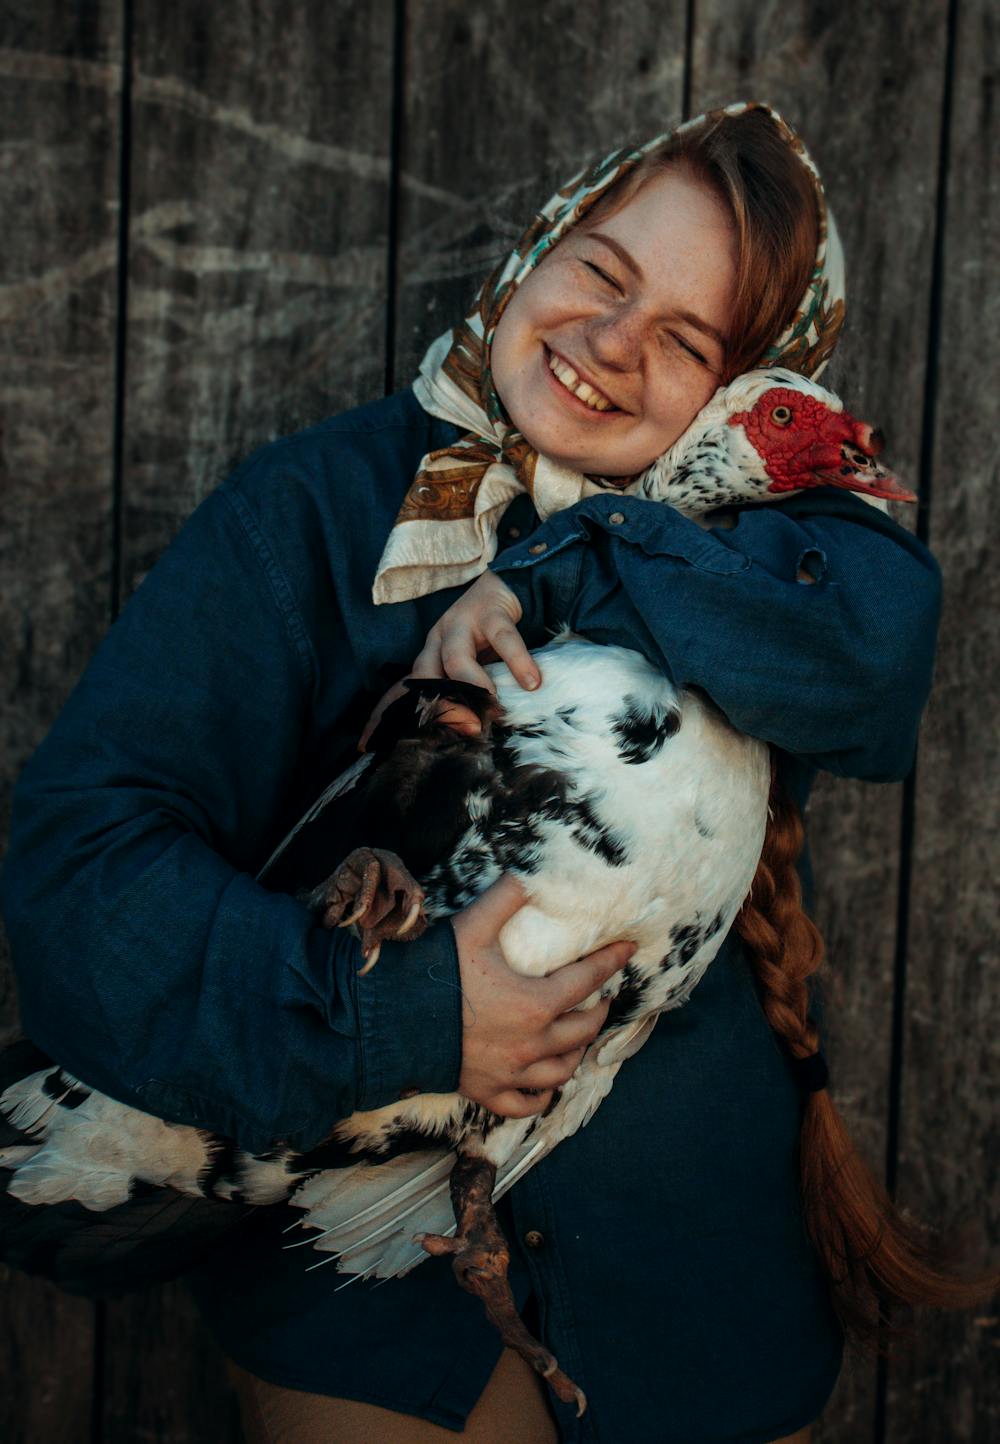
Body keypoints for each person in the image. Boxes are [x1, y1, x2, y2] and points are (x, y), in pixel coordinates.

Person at [1, 103, 943, 1443]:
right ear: (541, 245)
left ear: (748, 395)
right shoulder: (314, 515)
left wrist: (574, 558)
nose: (611, 345)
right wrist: (405, 1017)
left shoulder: (769, 546)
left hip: (700, 1281)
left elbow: (882, 662)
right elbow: (79, 878)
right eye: (601, 274)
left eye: (685, 340)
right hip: (371, 1307)